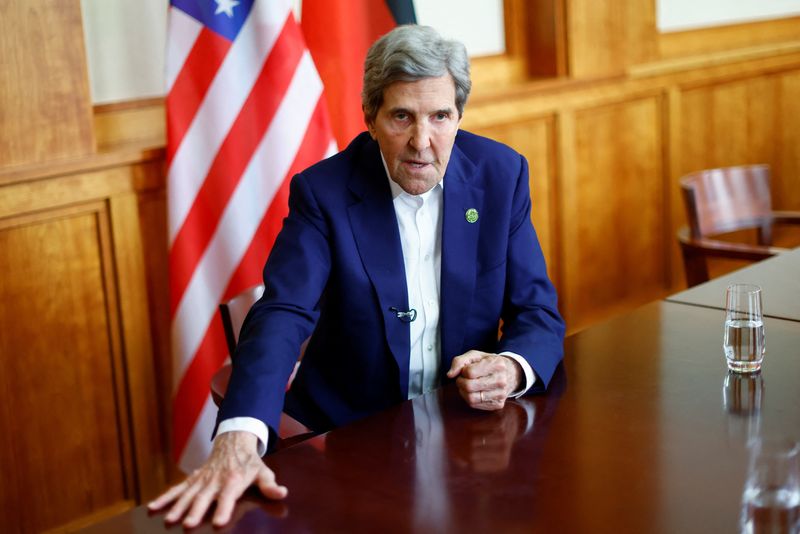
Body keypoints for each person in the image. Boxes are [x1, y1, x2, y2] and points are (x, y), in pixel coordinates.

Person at [149, 24, 565, 528]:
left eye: (440, 117)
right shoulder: (323, 194)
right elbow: (283, 311)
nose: (422, 142)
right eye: (401, 117)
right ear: (370, 117)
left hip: (464, 435)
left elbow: (537, 312)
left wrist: (512, 367)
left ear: (459, 116)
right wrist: (238, 435)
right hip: (349, 438)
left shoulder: (501, 175)